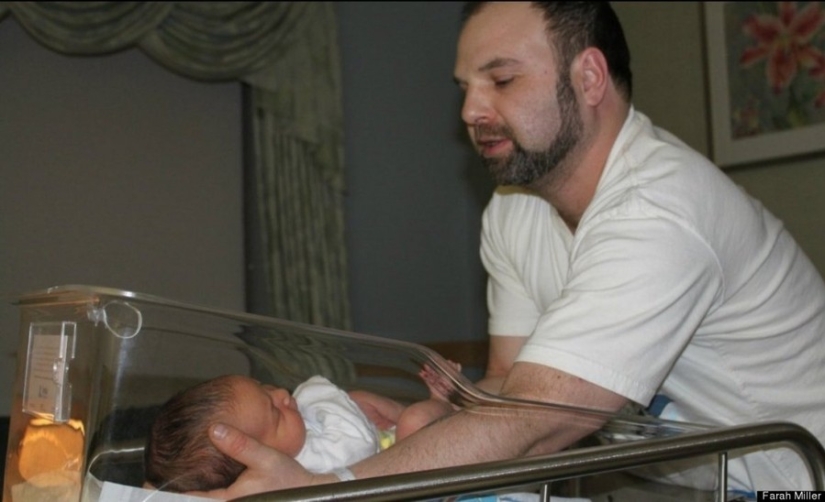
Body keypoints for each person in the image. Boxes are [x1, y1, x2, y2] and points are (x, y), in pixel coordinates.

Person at [197, 2, 825, 499]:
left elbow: (533, 426)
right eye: (466, 86)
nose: (471, 109)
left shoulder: (659, 212)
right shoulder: (514, 210)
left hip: (797, 478)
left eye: (501, 79)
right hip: (693, 483)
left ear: (589, 78)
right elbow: (507, 391)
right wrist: (414, 425)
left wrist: (327, 491)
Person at [145, 372, 455, 493]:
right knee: (414, 420)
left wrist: (354, 404)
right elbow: (357, 450)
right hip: (412, 481)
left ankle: (451, 417)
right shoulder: (310, 468)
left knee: (362, 401)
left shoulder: (294, 429)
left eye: (264, 386)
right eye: (275, 412)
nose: (283, 393)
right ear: (264, 460)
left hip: (393, 445)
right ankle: (444, 405)